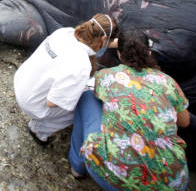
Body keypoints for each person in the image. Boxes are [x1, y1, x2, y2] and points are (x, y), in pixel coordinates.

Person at [69, 28, 190, 190]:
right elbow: (185, 122)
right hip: (174, 184)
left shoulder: (106, 76)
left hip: (114, 181)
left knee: (87, 98)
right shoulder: (168, 83)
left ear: (119, 55)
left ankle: (77, 167)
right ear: (149, 52)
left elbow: (99, 96)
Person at [14, 14, 118, 145]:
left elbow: (96, 39)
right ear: (103, 38)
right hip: (30, 102)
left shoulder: (65, 32)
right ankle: (38, 131)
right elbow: (52, 102)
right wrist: (75, 95)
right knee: (83, 103)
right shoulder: (81, 65)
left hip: (21, 81)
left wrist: (116, 43)